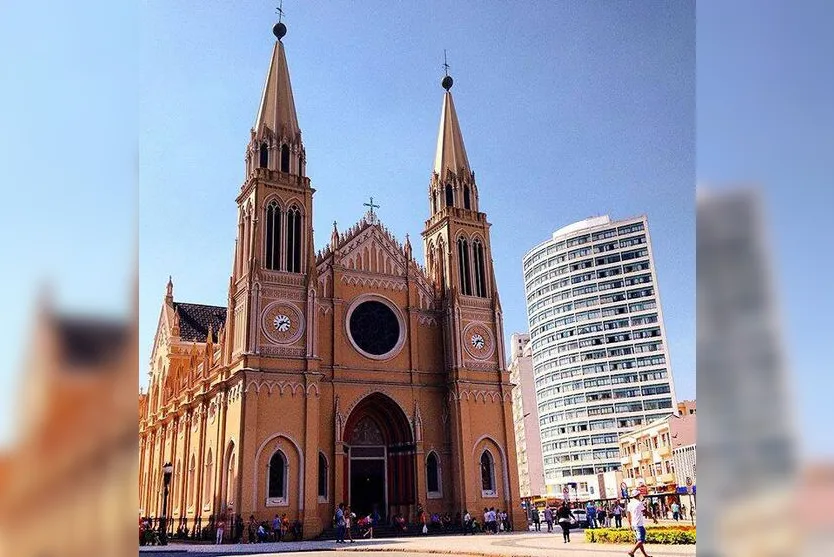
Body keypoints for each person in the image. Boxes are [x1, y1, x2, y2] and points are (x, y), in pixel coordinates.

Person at [626, 489, 652, 557]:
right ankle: (632, 551)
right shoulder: (639, 503)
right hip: (639, 524)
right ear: (638, 495)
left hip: (634, 524)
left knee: (639, 541)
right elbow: (645, 512)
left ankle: (645, 555)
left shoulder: (630, 504)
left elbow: (628, 515)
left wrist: (629, 524)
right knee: (641, 540)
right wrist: (654, 518)